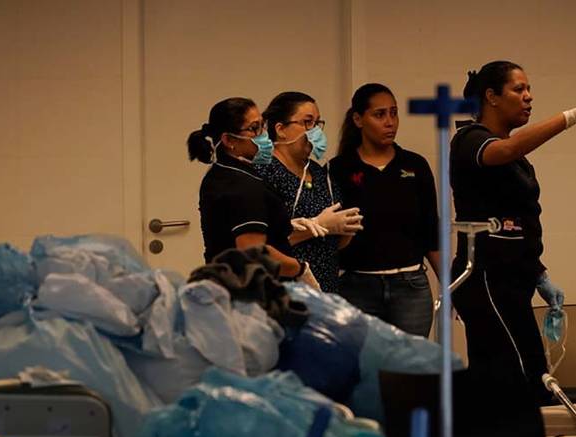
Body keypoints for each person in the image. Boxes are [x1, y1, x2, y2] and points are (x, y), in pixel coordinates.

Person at [451, 60, 576, 405]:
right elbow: (504, 150)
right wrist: (571, 117)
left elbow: (519, 219)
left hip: (514, 278)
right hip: (485, 278)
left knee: (523, 376)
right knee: (522, 378)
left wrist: (538, 272)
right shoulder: (470, 140)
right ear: (492, 97)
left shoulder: (517, 158)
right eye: (519, 89)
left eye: (529, 90)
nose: (528, 97)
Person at [330, 83, 441, 337]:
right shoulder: (339, 169)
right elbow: (329, 238)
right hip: (356, 287)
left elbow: (430, 233)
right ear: (358, 119)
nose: (390, 122)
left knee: (408, 370)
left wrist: (451, 284)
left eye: (394, 113)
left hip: (410, 287)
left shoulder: (414, 165)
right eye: (380, 115)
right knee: (363, 368)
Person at [187, 97, 320, 288]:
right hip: (251, 292)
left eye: (262, 126)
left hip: (224, 284)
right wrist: (299, 268)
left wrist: (280, 227)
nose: (263, 135)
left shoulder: (221, 173)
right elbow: (253, 252)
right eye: (254, 128)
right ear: (229, 140)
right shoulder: (242, 184)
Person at [257, 91, 363, 294]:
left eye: (317, 123)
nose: (315, 131)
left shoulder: (320, 173)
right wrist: (320, 225)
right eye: (307, 123)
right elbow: (262, 244)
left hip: (325, 288)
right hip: (283, 291)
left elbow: (335, 237)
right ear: (281, 129)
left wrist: (345, 226)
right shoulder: (264, 173)